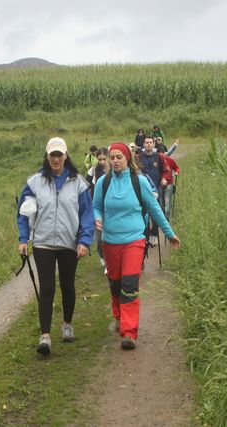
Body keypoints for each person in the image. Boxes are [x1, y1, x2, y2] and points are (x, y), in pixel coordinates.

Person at [93, 142, 180, 350]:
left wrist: (169, 234)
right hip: (110, 241)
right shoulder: (102, 183)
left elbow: (155, 210)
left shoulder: (139, 182)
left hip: (134, 240)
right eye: (112, 157)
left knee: (129, 285)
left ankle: (129, 332)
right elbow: (96, 206)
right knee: (115, 284)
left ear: (127, 159)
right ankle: (118, 316)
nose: (114, 161)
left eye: (118, 157)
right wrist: (97, 218)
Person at [17, 137, 95, 356]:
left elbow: (86, 215)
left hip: (69, 243)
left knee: (67, 285)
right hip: (43, 243)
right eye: (52, 155)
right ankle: (45, 336)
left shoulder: (78, 183)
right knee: (48, 287)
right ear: (47, 156)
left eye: (59, 155)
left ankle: (67, 324)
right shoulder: (34, 183)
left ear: (66, 156)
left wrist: (85, 240)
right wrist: (24, 239)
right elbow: (24, 213)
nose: (56, 159)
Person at [139, 135, 171, 246]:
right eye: (146, 142)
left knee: (156, 213)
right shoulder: (138, 158)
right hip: (142, 190)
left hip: (156, 190)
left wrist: (164, 179)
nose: (148, 144)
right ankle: (145, 236)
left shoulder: (159, 157)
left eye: (150, 142)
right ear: (143, 144)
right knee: (143, 214)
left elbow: (166, 171)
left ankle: (154, 235)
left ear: (153, 144)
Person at [86, 147, 110, 272]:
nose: (101, 162)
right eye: (99, 159)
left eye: (104, 159)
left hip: (111, 209)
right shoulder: (93, 170)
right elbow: (86, 186)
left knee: (110, 237)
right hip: (97, 209)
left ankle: (109, 263)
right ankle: (103, 257)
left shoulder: (113, 171)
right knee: (99, 238)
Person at [156, 144, 180, 220]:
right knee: (160, 202)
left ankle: (167, 219)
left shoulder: (170, 160)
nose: (161, 156)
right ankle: (161, 218)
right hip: (159, 184)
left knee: (167, 201)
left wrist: (176, 173)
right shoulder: (155, 162)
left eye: (162, 153)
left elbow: (177, 168)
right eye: (159, 154)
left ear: (165, 153)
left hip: (169, 183)